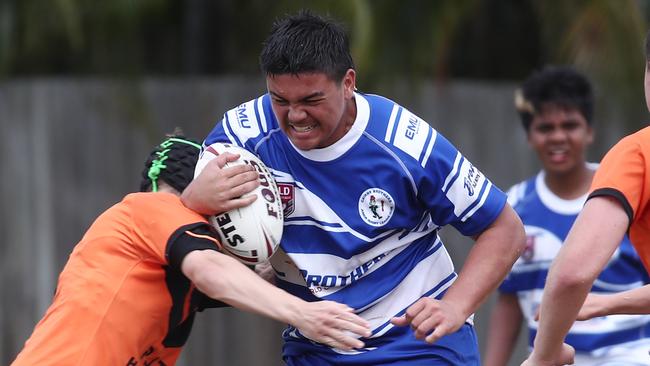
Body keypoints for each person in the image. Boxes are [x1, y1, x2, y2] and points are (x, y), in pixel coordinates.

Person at [181, 10, 526, 365]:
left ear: (348, 83)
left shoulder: (403, 142)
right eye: (280, 100)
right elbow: (182, 239)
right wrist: (193, 200)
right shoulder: (241, 137)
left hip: (417, 341)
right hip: (317, 343)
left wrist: (456, 306)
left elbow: (505, 229)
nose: (295, 116)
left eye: (311, 101)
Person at [11, 132, 370, 366]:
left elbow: (260, 280)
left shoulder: (167, 267)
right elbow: (212, 271)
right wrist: (304, 315)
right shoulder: (148, 209)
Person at [483, 66, 650, 366]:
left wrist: (605, 305)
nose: (558, 137)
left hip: (629, 356)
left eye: (570, 125)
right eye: (545, 128)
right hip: (548, 359)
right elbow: (509, 299)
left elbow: (571, 276)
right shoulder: (514, 207)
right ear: (530, 135)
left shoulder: (629, 186)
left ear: (589, 131)